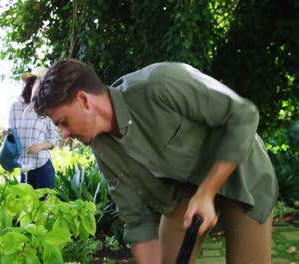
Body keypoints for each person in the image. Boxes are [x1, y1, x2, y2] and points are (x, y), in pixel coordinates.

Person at [32, 59, 278, 263]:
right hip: (185, 189)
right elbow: (135, 219)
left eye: (63, 122)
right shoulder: (102, 147)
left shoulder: (158, 84)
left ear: (83, 100)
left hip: (242, 173)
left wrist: (207, 192)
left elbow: (243, 115)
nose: (63, 134)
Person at [8, 66, 59, 189]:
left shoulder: (46, 108)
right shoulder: (15, 107)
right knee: (26, 207)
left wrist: (40, 146)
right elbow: (12, 136)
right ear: (31, 84)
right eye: (40, 84)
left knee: (45, 207)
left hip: (42, 168)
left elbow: (55, 139)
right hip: (24, 169)